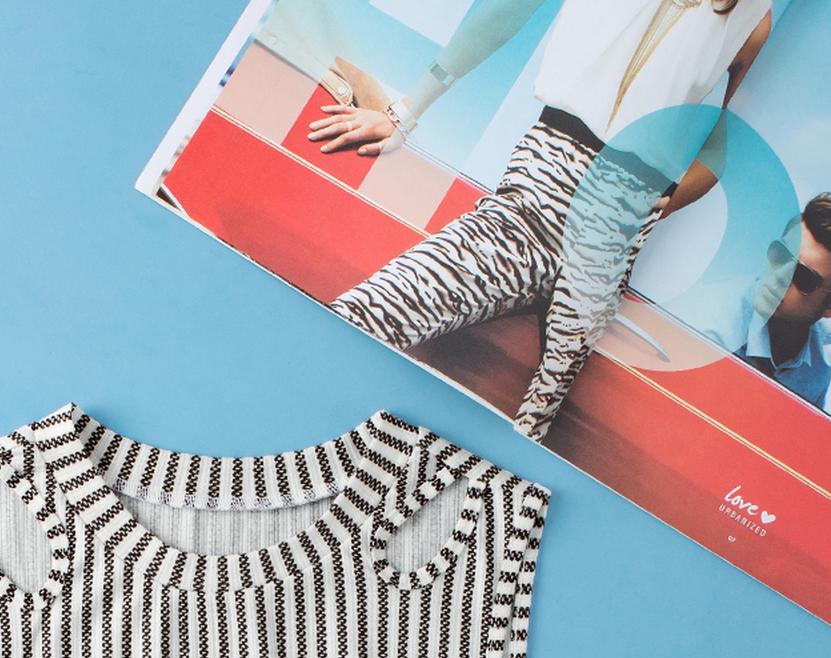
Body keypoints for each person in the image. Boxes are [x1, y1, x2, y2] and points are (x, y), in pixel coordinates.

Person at [307, 0, 772, 440]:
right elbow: (506, 10)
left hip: (612, 244)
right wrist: (405, 112)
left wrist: (656, 206)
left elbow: (721, 144)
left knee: (524, 438)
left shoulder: (754, 17)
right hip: (536, 196)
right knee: (353, 322)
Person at [696, 193, 831, 410]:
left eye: (803, 276)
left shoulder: (822, 352)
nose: (779, 276)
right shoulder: (710, 326)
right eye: (781, 254)